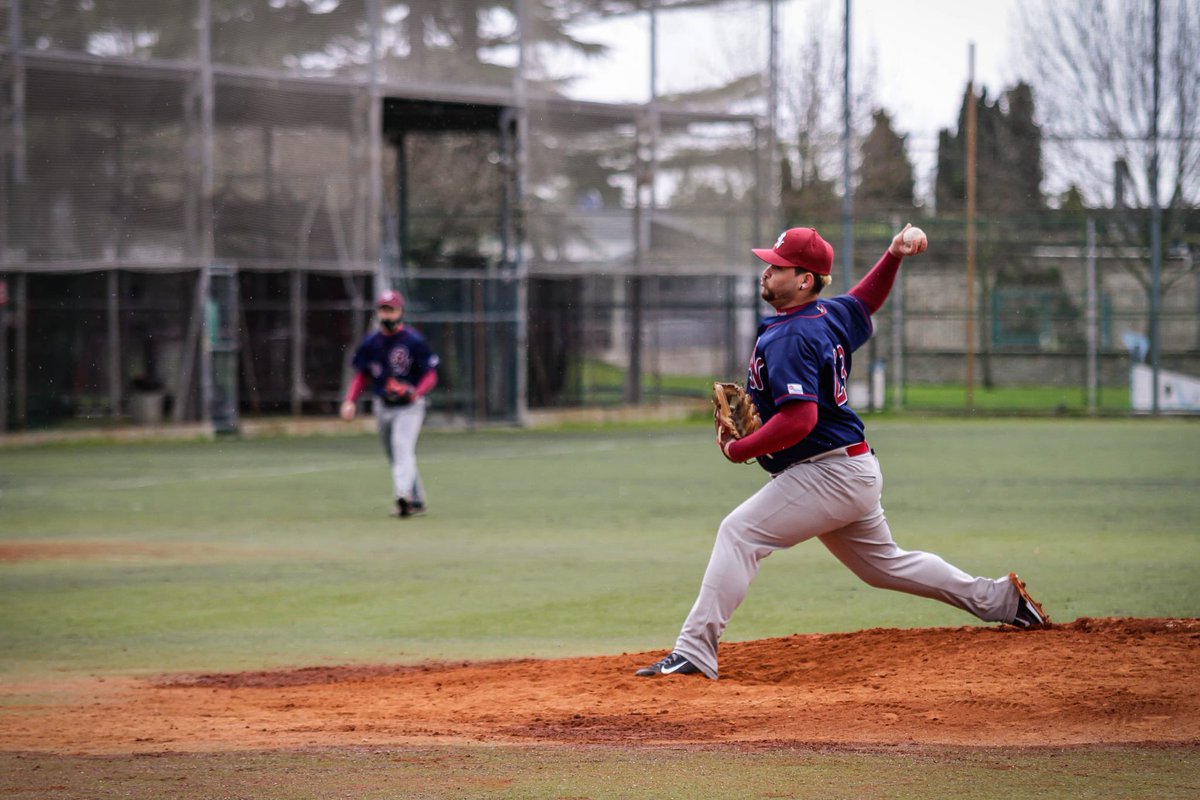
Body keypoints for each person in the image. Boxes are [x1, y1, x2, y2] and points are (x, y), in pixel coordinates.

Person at [635, 225, 1050, 679]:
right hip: (849, 468)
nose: (766, 272)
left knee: (739, 534)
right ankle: (1000, 600)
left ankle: (694, 651)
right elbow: (864, 301)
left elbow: (800, 421)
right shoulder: (826, 316)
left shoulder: (792, 335)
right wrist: (892, 254)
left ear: (804, 280)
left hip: (828, 472)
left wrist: (741, 450)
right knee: (884, 566)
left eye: (777, 266)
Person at [340, 289, 439, 518]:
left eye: (391, 310)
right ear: (378, 313)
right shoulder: (371, 342)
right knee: (396, 454)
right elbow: (362, 375)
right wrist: (350, 400)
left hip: (410, 406)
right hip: (383, 406)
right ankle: (417, 501)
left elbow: (431, 374)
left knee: (401, 447)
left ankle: (403, 496)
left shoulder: (414, 340)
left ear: (400, 312)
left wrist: (416, 392)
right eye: (383, 310)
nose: (387, 315)